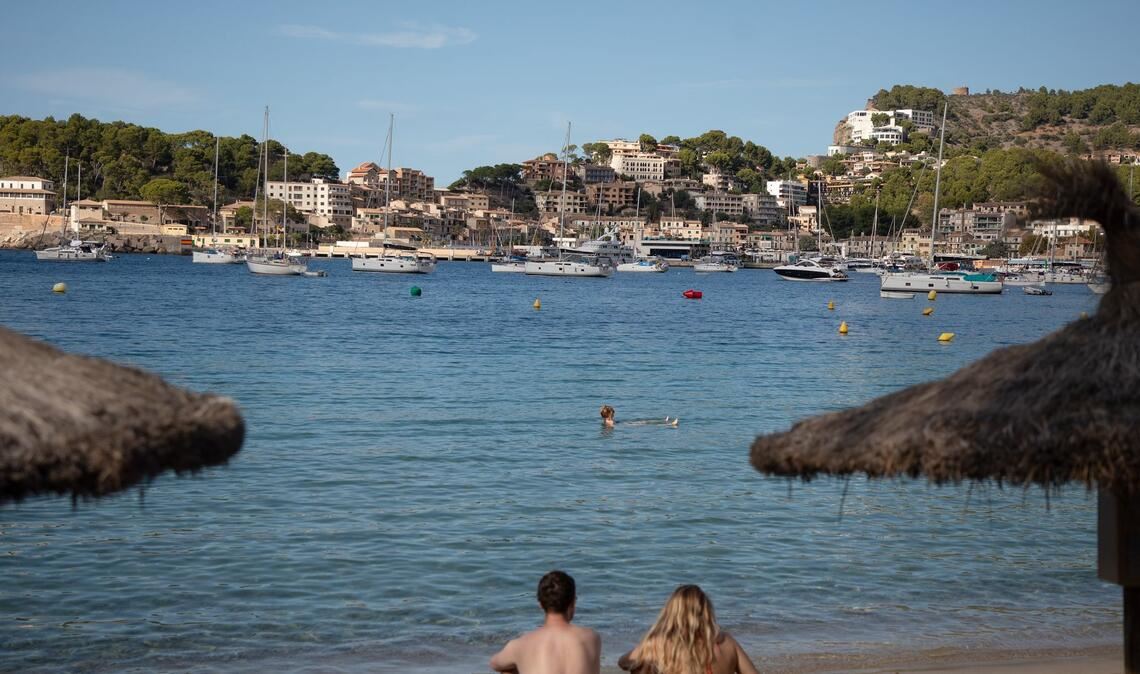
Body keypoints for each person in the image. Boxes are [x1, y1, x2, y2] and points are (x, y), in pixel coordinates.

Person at [617, 585, 759, 674]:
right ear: (706, 612)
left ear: (671, 613)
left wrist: (649, 655)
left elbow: (623, 662)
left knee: (642, 667)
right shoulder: (726, 642)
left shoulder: (659, 643)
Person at [490, 570, 601, 674]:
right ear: (572, 603)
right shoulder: (591, 637)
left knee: (508, 670)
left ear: (540, 605)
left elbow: (494, 663)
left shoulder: (519, 645)